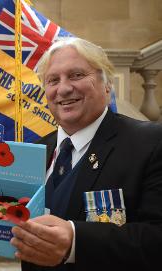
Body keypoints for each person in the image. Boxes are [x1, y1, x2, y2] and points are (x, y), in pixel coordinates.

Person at [10, 37, 162, 271]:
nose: (63, 88)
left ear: (107, 84)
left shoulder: (151, 142)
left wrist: (76, 241)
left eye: (76, 75)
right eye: (53, 80)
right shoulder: (37, 151)